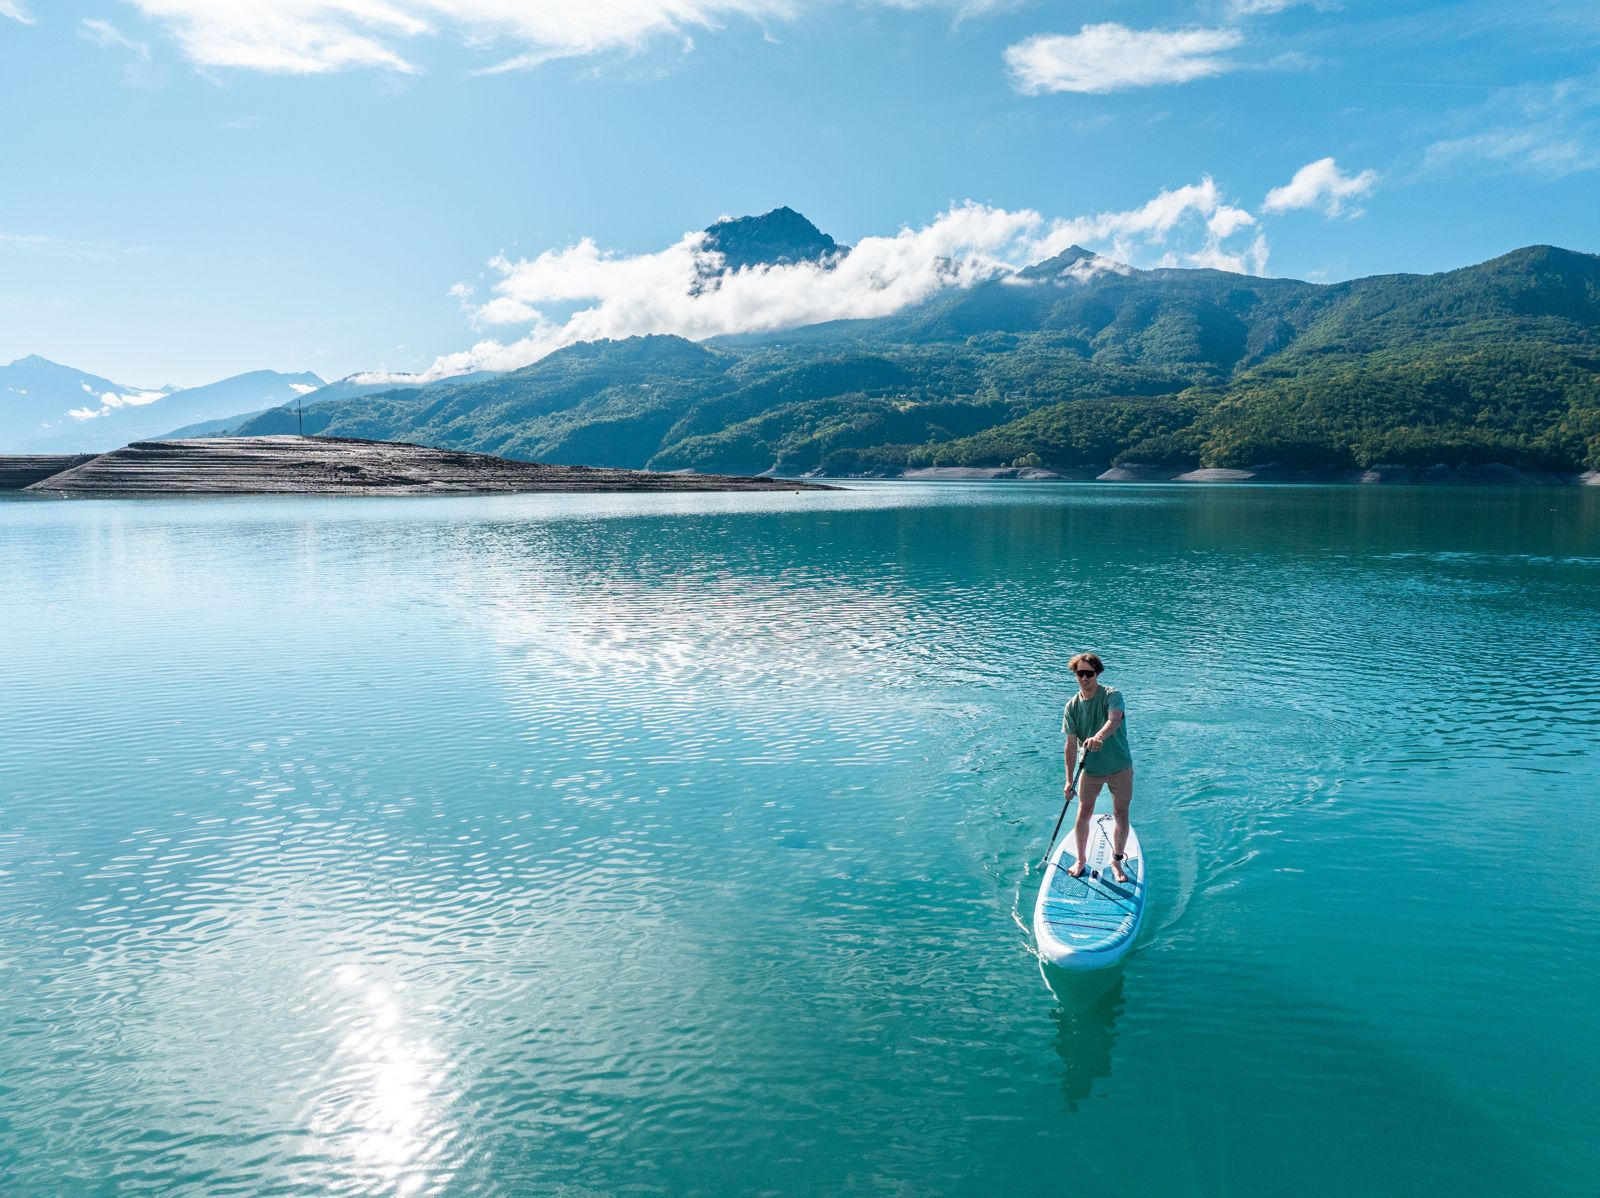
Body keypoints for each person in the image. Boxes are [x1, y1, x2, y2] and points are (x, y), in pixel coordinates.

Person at [1061, 652, 1134, 883]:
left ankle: (1116, 861)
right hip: (1090, 769)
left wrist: (1098, 736)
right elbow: (1071, 744)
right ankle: (1081, 860)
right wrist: (1068, 779)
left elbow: (1114, 719)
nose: (1084, 678)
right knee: (1083, 813)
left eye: (1089, 674)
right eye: (1080, 673)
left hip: (1119, 766)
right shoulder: (1072, 707)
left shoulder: (1112, 695)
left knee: (1121, 814)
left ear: (1097, 674)